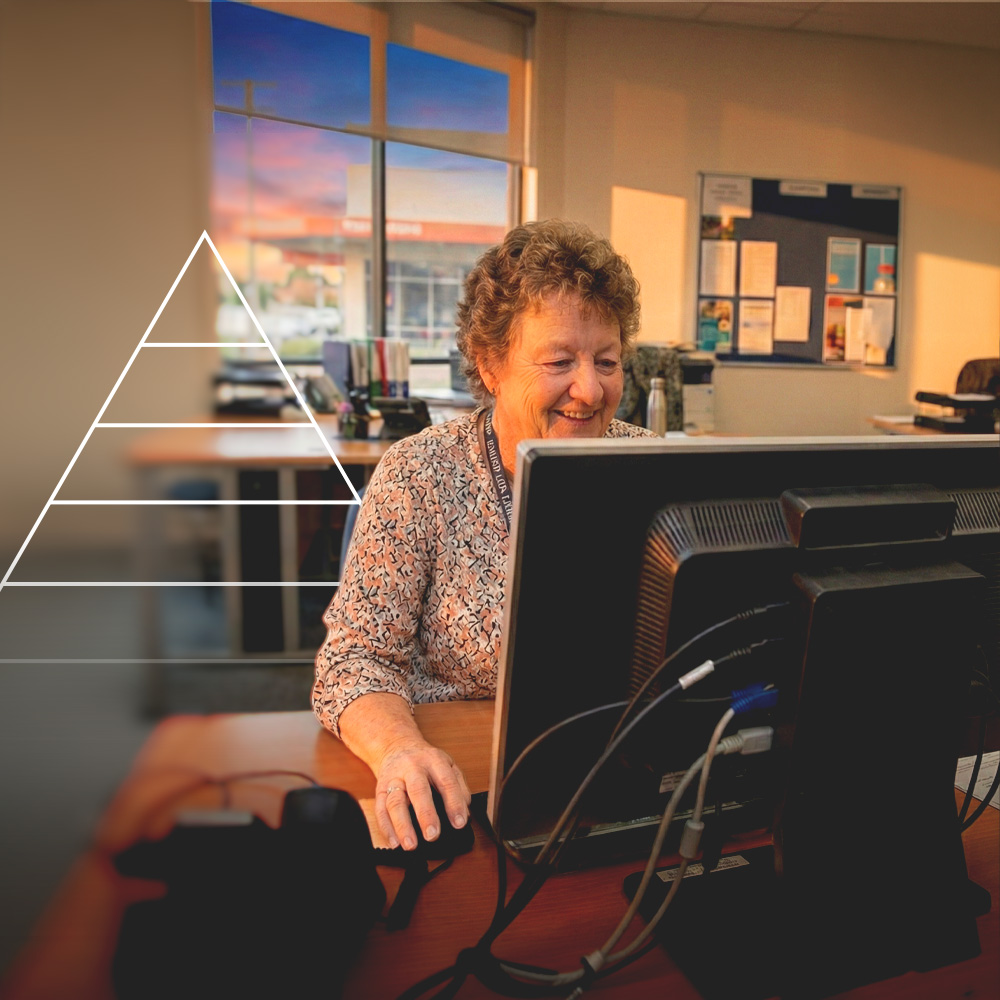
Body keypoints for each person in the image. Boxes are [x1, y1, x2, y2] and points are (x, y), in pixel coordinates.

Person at [312, 220, 656, 851]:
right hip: (459, 785)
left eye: (607, 362)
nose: (591, 388)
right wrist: (399, 751)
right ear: (489, 363)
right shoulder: (420, 473)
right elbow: (351, 661)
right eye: (559, 361)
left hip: (613, 776)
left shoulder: (649, 470)